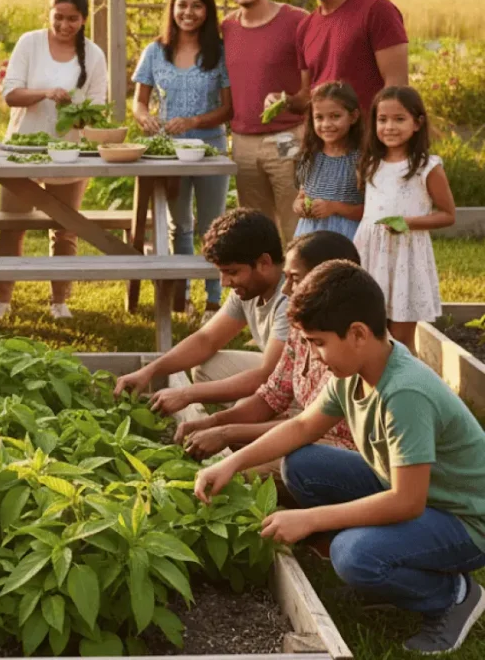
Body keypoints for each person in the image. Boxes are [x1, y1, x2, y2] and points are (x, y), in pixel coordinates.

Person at [195, 261, 485, 655]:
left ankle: (454, 594)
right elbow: (300, 428)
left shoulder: (404, 395)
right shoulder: (354, 372)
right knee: (302, 465)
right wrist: (231, 462)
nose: (313, 355)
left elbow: (406, 501)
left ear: (358, 334)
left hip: (465, 520)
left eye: (317, 342)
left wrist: (310, 518)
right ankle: (389, 564)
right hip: (420, 494)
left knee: (352, 554)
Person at [176, 230, 360, 461]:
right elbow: (272, 394)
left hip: (338, 447)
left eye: (294, 278)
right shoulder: (301, 325)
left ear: (327, 280)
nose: (285, 289)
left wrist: (226, 433)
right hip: (305, 427)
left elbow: (311, 429)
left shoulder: (349, 342)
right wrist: (211, 422)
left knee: (246, 469)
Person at [0, 0, 108, 321]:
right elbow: (10, 94)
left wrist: (77, 108)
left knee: (64, 227)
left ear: (83, 20)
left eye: (73, 19)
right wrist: (46, 93)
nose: (65, 25)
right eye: (59, 17)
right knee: (11, 225)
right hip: (23, 149)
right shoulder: (30, 43)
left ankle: (59, 301)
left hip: (69, 153)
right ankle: (2, 300)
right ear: (49, 13)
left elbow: (96, 109)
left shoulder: (94, 55)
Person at [113, 209, 289, 413]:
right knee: (207, 367)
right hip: (279, 373)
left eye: (231, 272)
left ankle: (268, 422)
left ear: (264, 263)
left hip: (306, 386)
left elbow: (267, 374)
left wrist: (187, 394)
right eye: (221, 273)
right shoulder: (250, 288)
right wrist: (149, 371)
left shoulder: (289, 298)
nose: (224, 283)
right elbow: (207, 339)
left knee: (246, 409)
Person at [132, 0, 233, 315]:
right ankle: (182, 295)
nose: (188, 13)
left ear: (207, 11)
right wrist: (145, 118)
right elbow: (139, 103)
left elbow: (227, 109)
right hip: (169, 150)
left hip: (210, 149)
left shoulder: (218, 52)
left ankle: (214, 299)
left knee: (212, 224)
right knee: (179, 225)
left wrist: (193, 122)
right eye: (182, 5)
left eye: (197, 6)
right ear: (172, 9)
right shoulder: (155, 51)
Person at [265, 0, 408, 117]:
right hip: (326, 144)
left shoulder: (376, 10)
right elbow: (308, 96)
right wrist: (285, 101)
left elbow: (396, 87)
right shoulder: (306, 27)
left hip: (368, 142)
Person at [218, 0, 307, 243]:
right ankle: (266, 291)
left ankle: (302, 289)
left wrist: (290, 101)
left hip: (287, 139)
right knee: (256, 230)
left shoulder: (296, 21)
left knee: (296, 224)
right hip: (242, 143)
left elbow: (315, 85)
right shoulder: (227, 28)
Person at [355, 86, 456, 351]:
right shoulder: (369, 163)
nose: (389, 126)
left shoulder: (426, 167)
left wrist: (408, 223)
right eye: (382, 119)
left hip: (405, 257)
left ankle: (410, 388)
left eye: (399, 119)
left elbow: (448, 215)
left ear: (417, 123)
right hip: (371, 255)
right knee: (371, 331)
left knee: (400, 340)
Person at [293, 81, 364, 240]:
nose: (326, 124)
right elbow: (302, 194)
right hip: (309, 236)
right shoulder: (308, 156)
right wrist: (298, 205)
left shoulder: (360, 159)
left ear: (353, 117)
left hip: (346, 237)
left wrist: (335, 208)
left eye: (335, 116)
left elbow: (371, 211)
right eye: (319, 117)